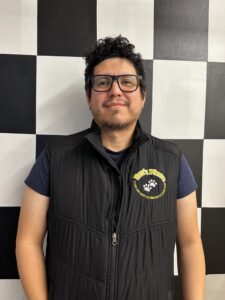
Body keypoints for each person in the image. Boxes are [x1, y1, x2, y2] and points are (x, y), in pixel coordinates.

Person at [16, 35, 205, 300]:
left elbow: (190, 243)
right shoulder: (54, 158)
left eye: (127, 83)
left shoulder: (172, 161)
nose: (116, 91)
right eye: (103, 83)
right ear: (88, 96)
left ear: (143, 96)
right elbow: (27, 241)